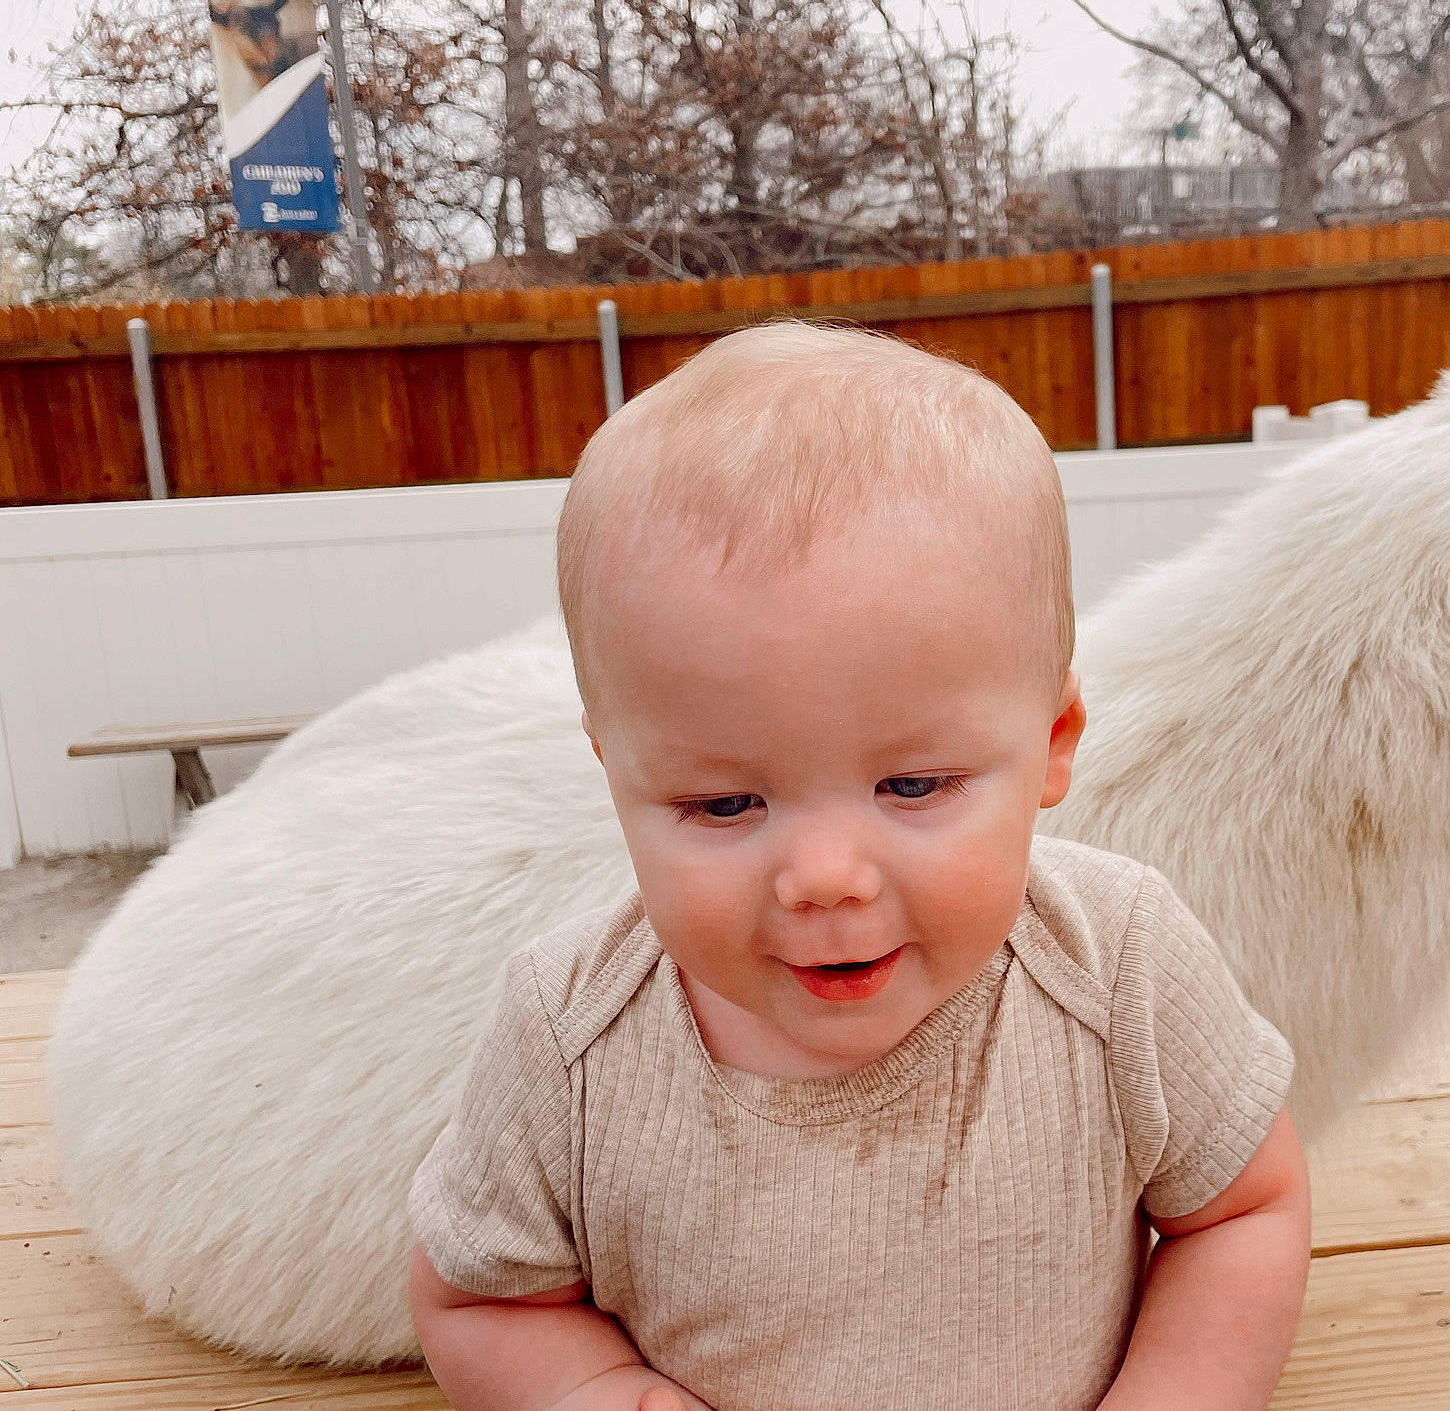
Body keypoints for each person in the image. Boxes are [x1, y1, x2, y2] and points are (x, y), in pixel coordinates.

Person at [406, 320, 1310, 1411]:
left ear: (1053, 741)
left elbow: (1243, 1210)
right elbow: (482, 1300)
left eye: (913, 787)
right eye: (726, 802)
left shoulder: (1114, 962)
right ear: (614, 771)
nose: (824, 878)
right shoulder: (572, 1034)